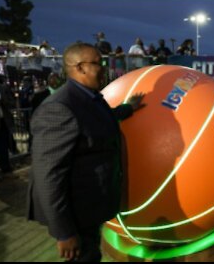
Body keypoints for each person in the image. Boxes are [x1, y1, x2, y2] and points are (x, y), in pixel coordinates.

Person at [27, 42, 145, 262]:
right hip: (76, 215)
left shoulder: (90, 98)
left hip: (91, 207)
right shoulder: (59, 108)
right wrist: (64, 232)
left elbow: (104, 117)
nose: (104, 68)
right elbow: (48, 176)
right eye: (98, 63)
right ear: (79, 67)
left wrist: (129, 107)